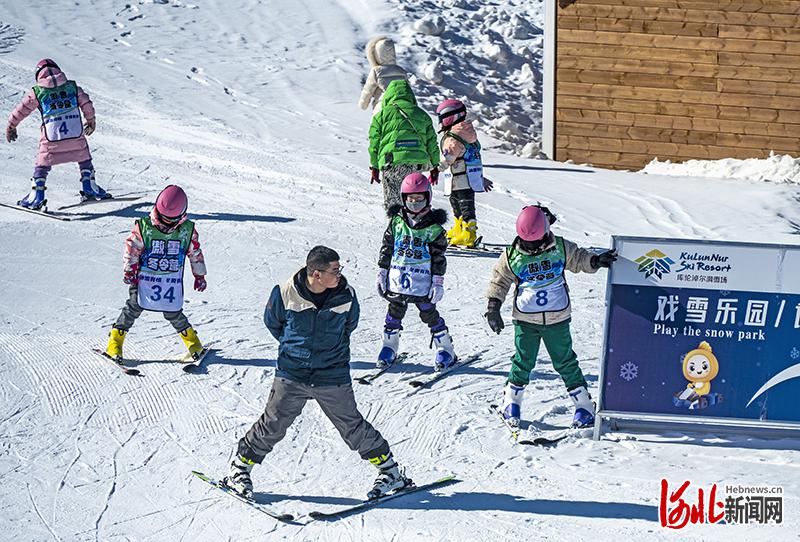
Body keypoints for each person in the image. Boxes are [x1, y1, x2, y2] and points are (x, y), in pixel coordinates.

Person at [225, 246, 411, 500]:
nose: (339, 274)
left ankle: (391, 473)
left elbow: (350, 325)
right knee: (273, 423)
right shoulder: (285, 292)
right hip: (292, 372)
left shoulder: (346, 294)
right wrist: (297, 348)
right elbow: (273, 323)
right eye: (334, 270)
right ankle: (239, 469)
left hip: (331, 374)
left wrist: (327, 351)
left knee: (351, 426)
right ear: (316, 274)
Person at [484, 205, 617, 428]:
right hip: (526, 320)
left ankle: (584, 406)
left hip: (557, 318)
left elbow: (578, 258)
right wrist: (493, 307)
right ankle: (511, 402)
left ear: (545, 232)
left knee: (565, 361)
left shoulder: (560, 248)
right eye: (527, 243)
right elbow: (499, 280)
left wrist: (595, 261)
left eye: (536, 242)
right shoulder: (512, 255)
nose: (533, 248)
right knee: (523, 360)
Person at [104, 185, 207, 362]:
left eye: (171, 221)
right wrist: (129, 270)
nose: (166, 225)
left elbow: (195, 252)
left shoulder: (187, 230)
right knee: (133, 307)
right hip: (144, 278)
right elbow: (132, 248)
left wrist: (200, 275)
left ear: (181, 216)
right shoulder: (145, 227)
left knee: (173, 311)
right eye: (163, 219)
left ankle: (193, 344)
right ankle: (115, 343)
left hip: (169, 280)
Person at [5, 58, 109, 210]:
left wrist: (11, 126)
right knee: (83, 156)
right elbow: (86, 103)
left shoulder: (37, 92)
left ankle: (37, 195)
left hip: (51, 137)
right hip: (74, 132)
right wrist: (91, 120)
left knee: (42, 163)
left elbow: (21, 109)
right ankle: (90, 186)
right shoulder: (72, 87)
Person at [376, 172, 455, 370]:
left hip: (422, 281)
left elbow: (438, 257)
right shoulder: (397, 222)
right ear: (403, 199)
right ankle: (389, 346)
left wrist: (438, 282)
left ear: (427, 197)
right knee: (395, 311)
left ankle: (445, 348)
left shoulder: (434, 228)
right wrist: (382, 271)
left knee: (428, 313)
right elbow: (387, 247)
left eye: (419, 199)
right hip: (398, 278)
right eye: (410, 199)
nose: (414, 203)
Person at [368, 79, 439, 211]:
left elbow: (374, 143)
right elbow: (432, 143)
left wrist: (375, 166)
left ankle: (396, 222)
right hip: (415, 164)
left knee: (393, 204)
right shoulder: (422, 114)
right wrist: (435, 166)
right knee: (413, 200)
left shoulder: (381, 115)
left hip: (391, 163)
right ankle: (415, 221)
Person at [436, 98, 493, 248]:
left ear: (449, 118)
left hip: (460, 179)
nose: (440, 123)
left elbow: (448, 158)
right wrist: (480, 178)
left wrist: (434, 168)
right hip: (464, 178)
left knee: (465, 206)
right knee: (457, 203)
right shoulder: (466, 133)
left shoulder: (454, 137)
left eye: (441, 119)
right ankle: (459, 228)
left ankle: (469, 233)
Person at [358, 36, 408, 114]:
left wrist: (363, 104)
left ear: (376, 54)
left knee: (377, 121)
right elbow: (407, 90)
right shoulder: (401, 70)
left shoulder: (376, 71)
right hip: (401, 108)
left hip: (382, 107)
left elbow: (368, 90)